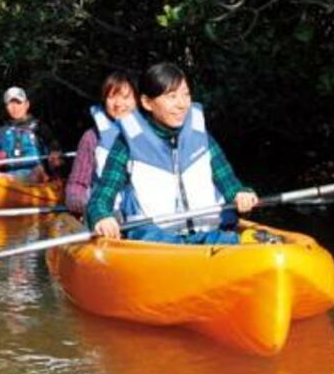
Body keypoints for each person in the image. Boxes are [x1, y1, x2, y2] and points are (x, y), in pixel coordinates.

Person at [85, 62, 258, 243]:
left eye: (186, 94)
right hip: (154, 238)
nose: (182, 104)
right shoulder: (127, 142)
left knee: (227, 239)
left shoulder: (200, 135)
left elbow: (229, 182)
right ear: (147, 102)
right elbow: (101, 197)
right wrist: (101, 216)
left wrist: (240, 193)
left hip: (206, 231)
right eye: (172, 96)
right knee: (155, 237)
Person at [65, 70, 138, 214]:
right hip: (106, 213)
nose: (118, 104)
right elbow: (77, 184)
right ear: (104, 100)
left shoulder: (153, 132)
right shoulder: (92, 137)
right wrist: (76, 200)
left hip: (142, 215)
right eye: (111, 97)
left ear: (137, 100)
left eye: (125, 97)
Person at [0, 86, 62, 182]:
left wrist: (55, 155)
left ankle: (12, 181)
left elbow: (55, 150)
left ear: (27, 104)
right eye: (10, 104)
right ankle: (5, 180)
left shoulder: (41, 128)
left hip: (36, 174)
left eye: (18, 102)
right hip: (7, 176)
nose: (14, 107)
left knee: (39, 170)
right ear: (6, 107)